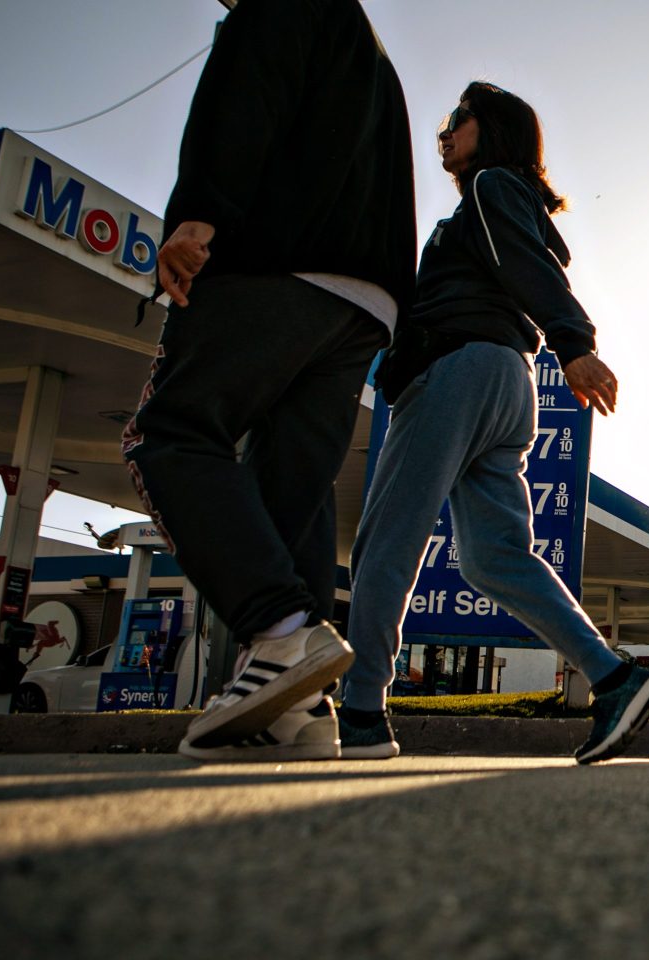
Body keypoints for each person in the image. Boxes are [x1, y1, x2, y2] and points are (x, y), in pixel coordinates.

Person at [120, 0, 416, 761]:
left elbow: (245, 99)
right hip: (366, 300)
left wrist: (197, 215)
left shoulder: (278, 6)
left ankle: (282, 634)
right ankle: (301, 711)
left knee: (174, 433)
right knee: (293, 485)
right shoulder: (367, 47)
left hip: (275, 268)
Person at [339, 81, 649, 764]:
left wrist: (573, 344)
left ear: (494, 131)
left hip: (458, 371)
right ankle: (614, 679)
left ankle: (362, 716)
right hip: (506, 382)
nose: (446, 129)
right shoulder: (499, 198)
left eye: (461, 118)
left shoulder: (490, 187)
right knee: (495, 559)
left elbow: (522, 264)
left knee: (386, 543)